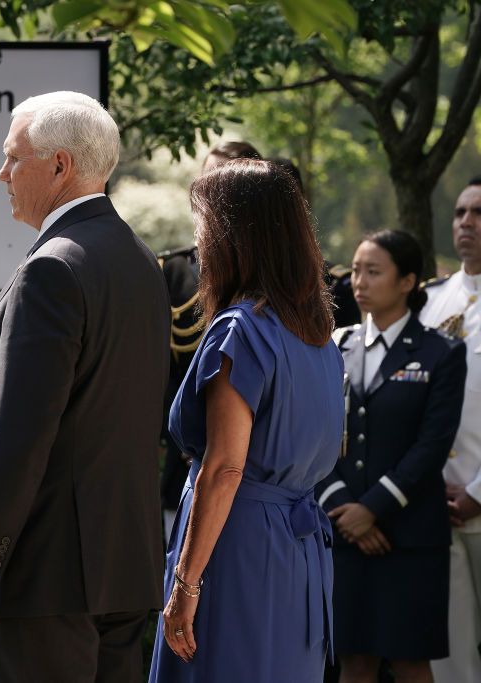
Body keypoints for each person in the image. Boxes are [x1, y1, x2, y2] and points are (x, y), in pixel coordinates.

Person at [0, 91, 170, 681]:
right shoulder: (141, 262)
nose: (2, 174)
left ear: (60, 166)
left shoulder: (53, 268)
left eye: (14, 158)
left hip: (49, 573)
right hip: (124, 566)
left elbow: (21, 434)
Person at [149, 159, 344, 682]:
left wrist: (186, 584)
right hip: (297, 553)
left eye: (203, 228)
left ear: (232, 237)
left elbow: (225, 467)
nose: (197, 245)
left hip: (235, 547)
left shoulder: (242, 329)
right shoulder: (319, 334)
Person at [321, 230, 465, 682]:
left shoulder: (441, 352)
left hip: (410, 535)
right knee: (354, 662)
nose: (358, 282)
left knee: (410, 662)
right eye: (357, 270)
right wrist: (345, 509)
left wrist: (374, 509)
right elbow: (316, 435)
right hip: (344, 529)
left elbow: (432, 444)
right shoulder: (334, 347)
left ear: (407, 282)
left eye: (374, 271)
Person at [158, 141, 264, 541]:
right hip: (180, 453)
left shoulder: (269, 278)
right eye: (206, 177)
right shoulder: (171, 271)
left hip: (252, 461)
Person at [424, 177, 481, 682]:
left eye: (478, 213)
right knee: (450, 658)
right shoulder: (432, 301)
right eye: (461, 212)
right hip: (438, 504)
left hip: (479, 499)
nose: (467, 222)